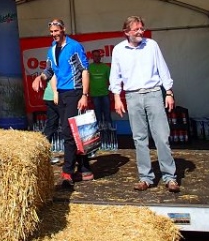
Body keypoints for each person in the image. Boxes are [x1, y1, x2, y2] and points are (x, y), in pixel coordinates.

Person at [109, 16, 180, 193]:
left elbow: (162, 68)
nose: (140, 32)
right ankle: (145, 178)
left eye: (142, 28)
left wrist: (169, 92)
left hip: (153, 93)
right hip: (132, 96)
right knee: (139, 138)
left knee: (162, 136)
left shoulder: (151, 45)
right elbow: (115, 75)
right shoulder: (118, 50)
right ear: (127, 32)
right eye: (136, 29)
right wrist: (117, 97)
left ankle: (170, 177)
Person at [32, 18, 93, 187]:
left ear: (63, 29)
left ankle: (67, 173)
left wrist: (84, 95)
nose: (54, 34)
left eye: (56, 31)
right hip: (62, 93)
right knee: (73, 132)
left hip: (75, 92)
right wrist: (40, 78)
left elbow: (84, 70)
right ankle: (84, 168)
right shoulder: (52, 49)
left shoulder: (74, 46)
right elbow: (49, 70)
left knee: (68, 131)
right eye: (51, 32)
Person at [89, 49, 112, 126]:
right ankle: (100, 129)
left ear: (101, 57)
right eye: (95, 56)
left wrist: (112, 93)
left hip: (105, 94)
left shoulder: (106, 67)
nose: (97, 57)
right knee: (97, 114)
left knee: (107, 113)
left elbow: (111, 81)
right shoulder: (89, 68)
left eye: (98, 56)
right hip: (94, 95)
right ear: (92, 57)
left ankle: (109, 129)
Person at [42, 75, 61, 164]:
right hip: (58, 96)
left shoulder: (49, 66)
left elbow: (44, 75)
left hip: (50, 96)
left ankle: (44, 155)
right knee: (68, 125)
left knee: (51, 126)